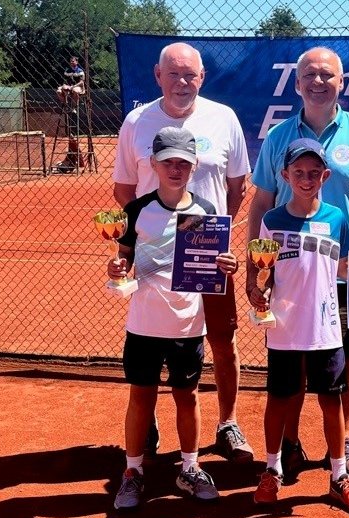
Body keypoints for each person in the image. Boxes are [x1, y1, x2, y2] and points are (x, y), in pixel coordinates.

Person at [247, 46, 349, 481]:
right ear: (297, 84)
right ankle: (290, 443)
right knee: (293, 362)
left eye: (327, 75)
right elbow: (261, 202)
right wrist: (255, 267)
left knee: (345, 361)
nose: (318, 81)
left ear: (341, 82)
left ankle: (342, 441)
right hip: (289, 273)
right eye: (310, 74)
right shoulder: (278, 137)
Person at [113, 42, 253, 463]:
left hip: (207, 257)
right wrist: (152, 232)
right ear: (158, 76)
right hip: (153, 260)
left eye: (190, 74)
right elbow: (123, 190)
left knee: (222, 341)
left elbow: (237, 187)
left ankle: (227, 423)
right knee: (154, 342)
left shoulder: (224, 118)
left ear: (202, 77)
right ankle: (148, 425)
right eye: (173, 73)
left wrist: (211, 234)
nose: (182, 82)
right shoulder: (136, 121)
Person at [109, 126, 240, 510]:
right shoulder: (136, 211)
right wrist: (116, 270)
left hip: (188, 325)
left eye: (183, 162)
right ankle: (133, 471)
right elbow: (123, 260)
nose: (176, 169)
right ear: (154, 164)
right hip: (145, 325)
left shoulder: (208, 211)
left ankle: (190, 467)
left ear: (194, 165)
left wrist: (227, 265)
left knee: (188, 397)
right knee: (141, 397)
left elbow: (214, 265)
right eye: (168, 162)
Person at [248, 138, 349, 516]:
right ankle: (272, 471)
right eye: (299, 172)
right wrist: (257, 290)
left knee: (331, 401)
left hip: (325, 328)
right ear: (285, 176)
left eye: (314, 173)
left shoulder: (336, 218)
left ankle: (338, 476)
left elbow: (346, 265)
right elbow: (263, 270)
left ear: (325, 176)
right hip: (284, 328)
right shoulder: (272, 221)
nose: (306, 179)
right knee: (279, 399)